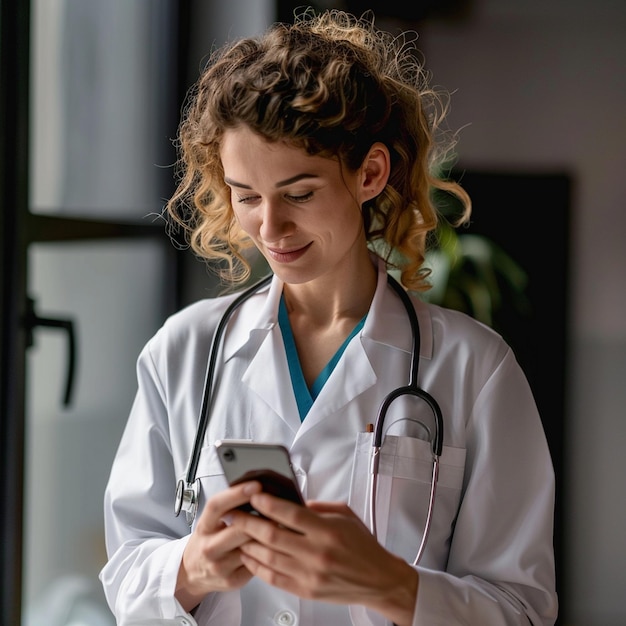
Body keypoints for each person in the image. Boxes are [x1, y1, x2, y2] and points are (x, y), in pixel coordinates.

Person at [99, 8, 558, 626]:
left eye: (299, 193)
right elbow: (127, 573)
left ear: (369, 173)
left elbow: (522, 610)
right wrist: (194, 568)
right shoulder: (183, 353)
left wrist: (392, 586)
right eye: (246, 196)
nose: (270, 227)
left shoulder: (476, 370)